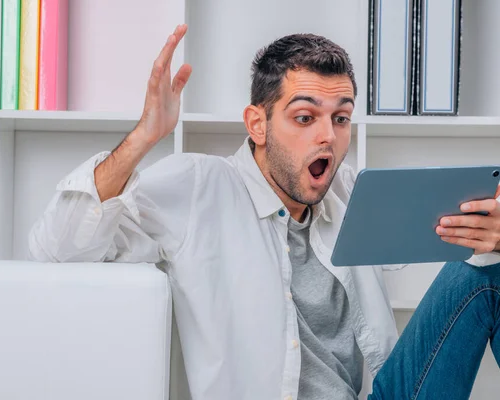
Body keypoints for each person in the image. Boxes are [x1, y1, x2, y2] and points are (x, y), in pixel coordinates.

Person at [28, 24, 500, 400]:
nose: (328, 138)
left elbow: (445, 230)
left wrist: (491, 232)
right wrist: (143, 137)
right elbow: (61, 246)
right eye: (304, 117)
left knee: (493, 267)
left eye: (340, 118)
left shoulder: (354, 191)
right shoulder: (201, 187)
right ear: (257, 124)